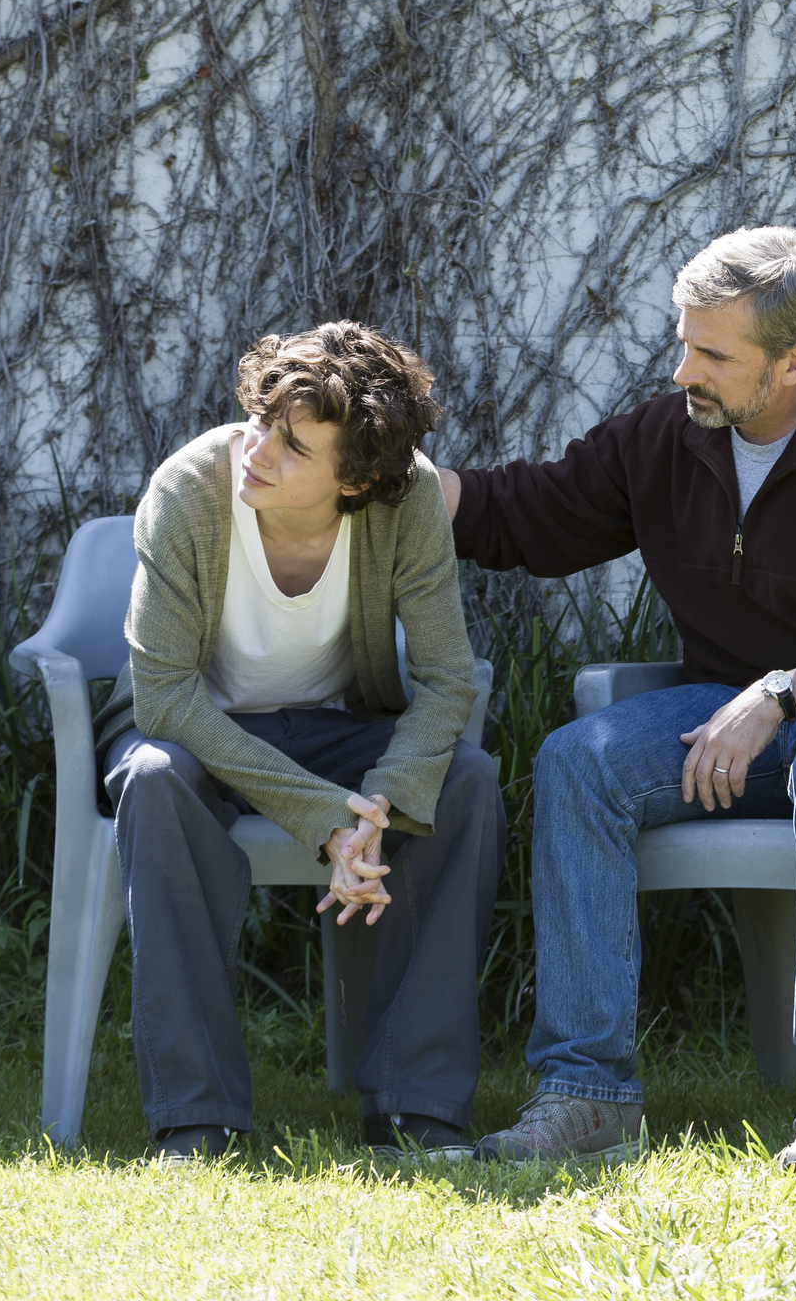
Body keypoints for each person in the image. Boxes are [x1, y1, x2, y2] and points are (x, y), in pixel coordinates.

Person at [443, 226, 796, 1167]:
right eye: (683, 340)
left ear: (793, 362)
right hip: (728, 716)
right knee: (578, 761)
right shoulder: (671, 437)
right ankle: (588, 1097)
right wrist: (394, 481)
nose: (681, 369)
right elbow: (529, 514)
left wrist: (780, 695)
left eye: (710, 353)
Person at [97, 322, 502, 1164]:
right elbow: (164, 697)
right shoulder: (189, 489)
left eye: (291, 445)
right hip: (192, 732)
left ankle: (415, 1107)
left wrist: (381, 799)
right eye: (259, 422)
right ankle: (196, 1121)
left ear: (354, 481)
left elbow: (445, 679)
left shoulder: (410, 499)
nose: (258, 451)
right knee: (154, 782)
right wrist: (325, 816)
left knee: (462, 779)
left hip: (336, 731)